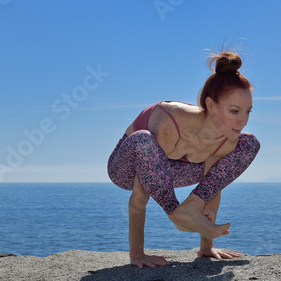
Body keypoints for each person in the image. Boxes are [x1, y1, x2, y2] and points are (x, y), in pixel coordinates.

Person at [107, 51, 260, 268]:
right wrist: (137, 255)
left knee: (250, 143)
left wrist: (206, 247)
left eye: (248, 112)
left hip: (170, 173)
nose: (243, 120)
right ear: (211, 105)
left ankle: (189, 208)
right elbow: (140, 195)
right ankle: (176, 212)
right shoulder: (172, 123)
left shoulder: (226, 140)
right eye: (235, 111)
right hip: (126, 167)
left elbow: (213, 187)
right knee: (143, 140)